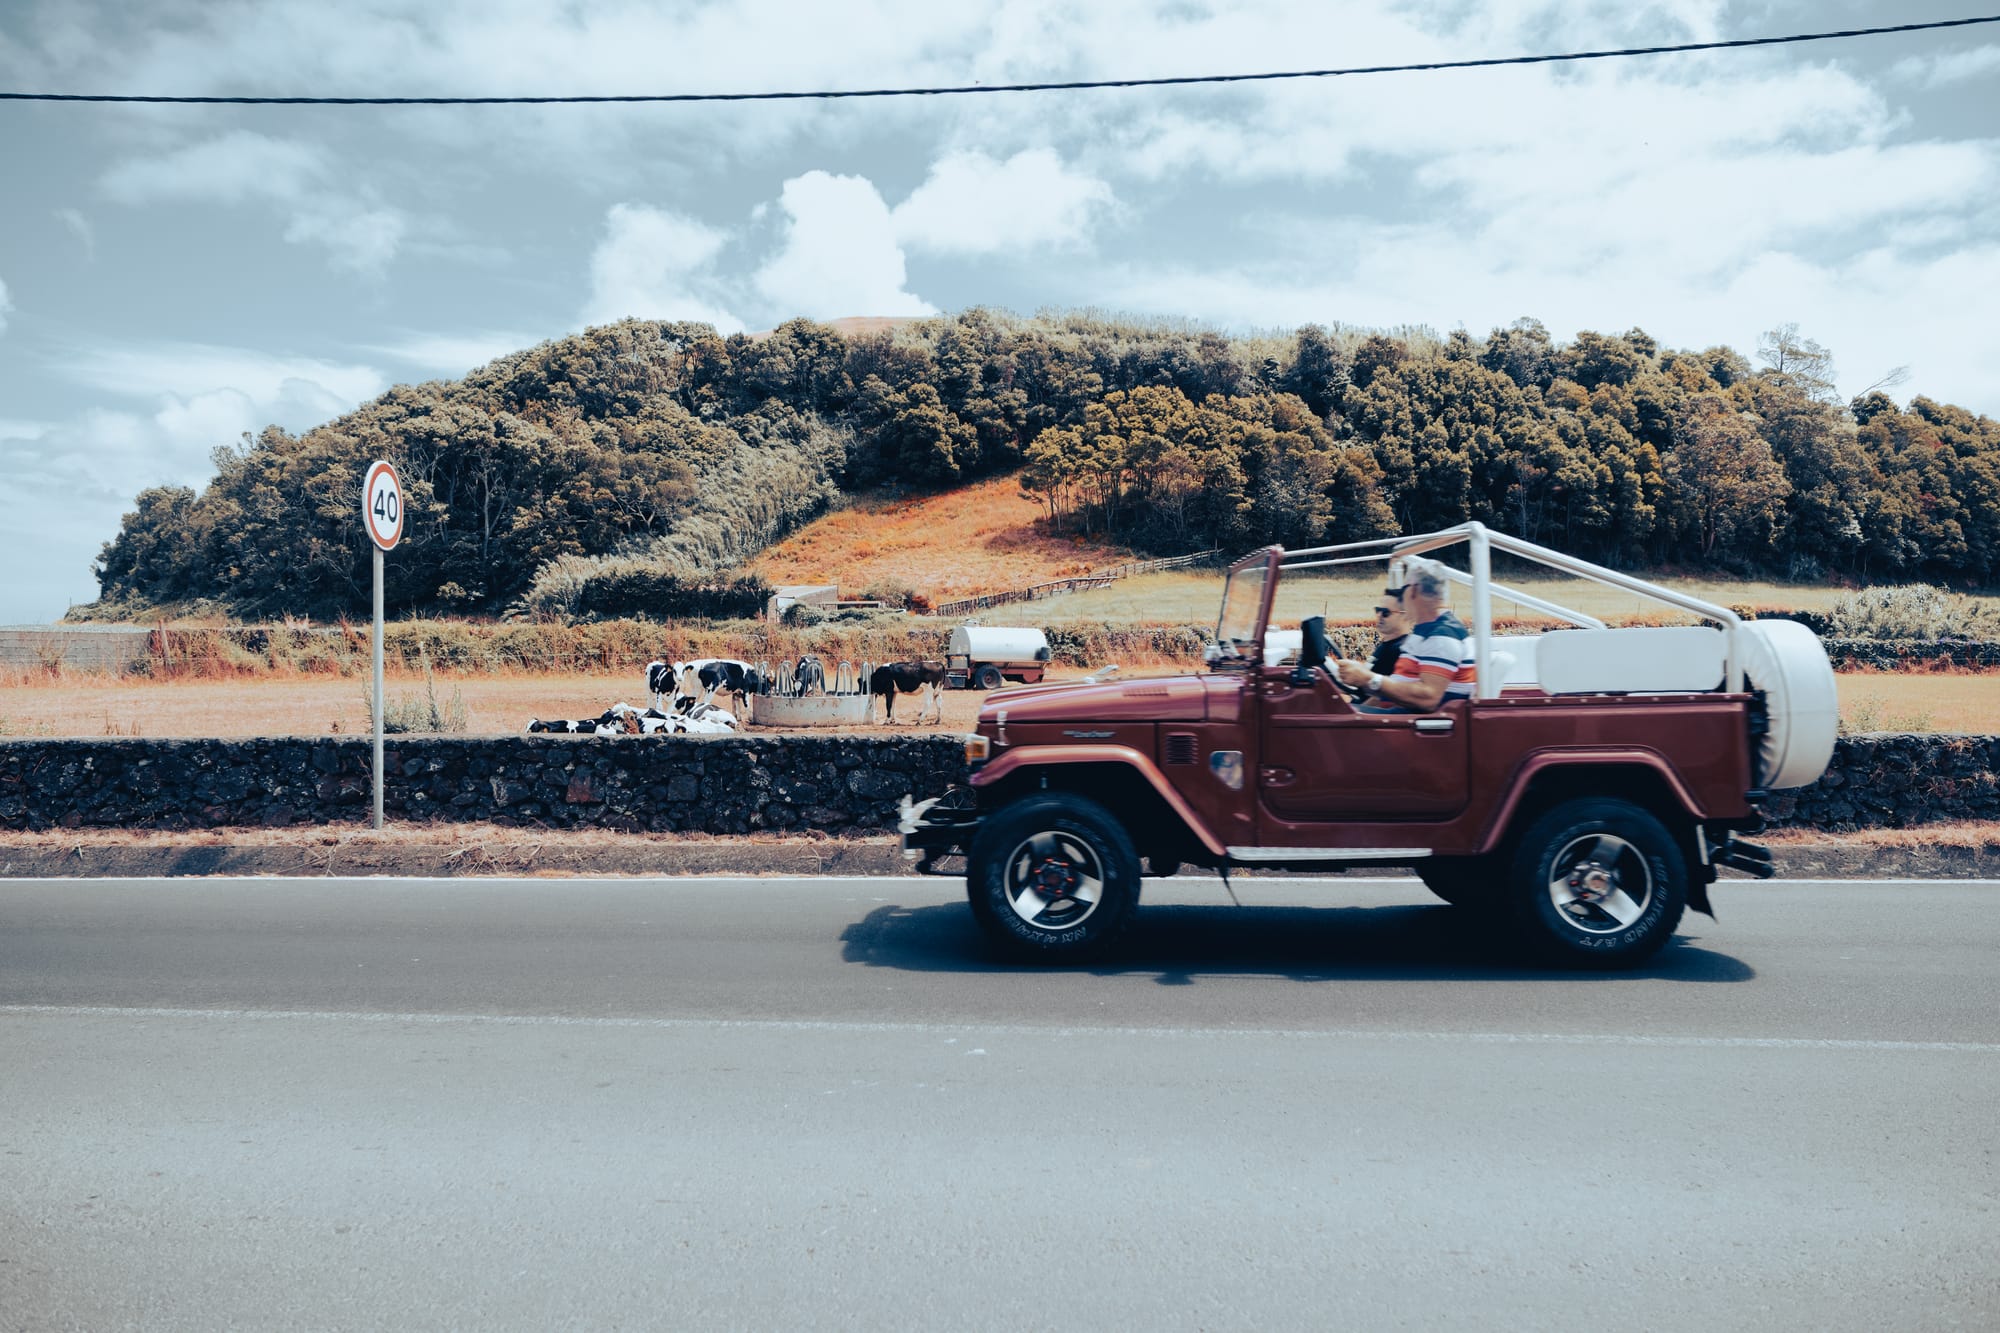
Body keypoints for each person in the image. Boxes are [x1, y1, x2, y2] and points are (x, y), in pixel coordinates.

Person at [1334, 557, 1475, 712]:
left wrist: (1368, 679)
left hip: (1414, 723)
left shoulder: (1442, 635)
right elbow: (1397, 687)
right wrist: (1360, 689)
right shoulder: (1427, 631)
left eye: (1402, 591)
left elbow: (1428, 698)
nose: (1400, 599)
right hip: (1400, 716)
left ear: (1413, 590)